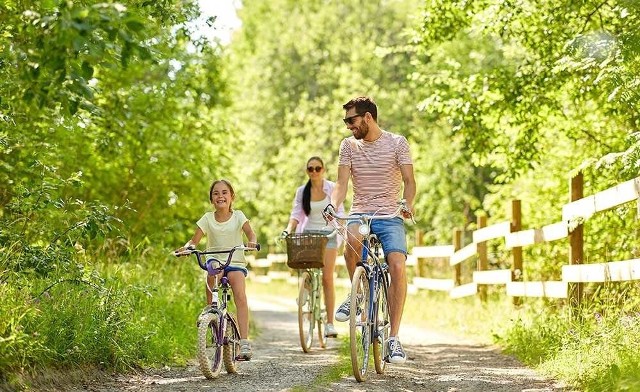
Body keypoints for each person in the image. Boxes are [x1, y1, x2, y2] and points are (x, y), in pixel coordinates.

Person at [328, 96, 416, 364]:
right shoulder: (349, 146)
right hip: (360, 211)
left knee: (397, 264)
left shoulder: (397, 143)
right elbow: (342, 184)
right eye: (346, 121)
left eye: (351, 120)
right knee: (351, 240)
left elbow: (410, 181)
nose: (348, 127)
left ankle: (394, 339)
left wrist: (407, 204)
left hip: (390, 214)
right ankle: (357, 292)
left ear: (368, 117)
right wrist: (334, 206)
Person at [175, 179, 258, 360]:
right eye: (216, 193)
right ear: (211, 199)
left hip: (235, 259)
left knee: (240, 293)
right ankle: (212, 313)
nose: (220, 196)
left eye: (224, 192)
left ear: (232, 197)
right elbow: (194, 241)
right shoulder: (207, 218)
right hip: (215, 259)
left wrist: (251, 241)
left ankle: (244, 342)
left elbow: (250, 233)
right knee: (211, 276)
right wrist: (187, 247)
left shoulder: (239, 216)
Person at [282, 156, 344, 338]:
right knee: (306, 269)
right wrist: (288, 230)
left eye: (318, 168)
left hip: (329, 235)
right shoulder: (302, 191)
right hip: (308, 234)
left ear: (323, 170)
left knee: (327, 278)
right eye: (311, 169)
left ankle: (330, 324)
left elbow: (340, 211)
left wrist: (340, 228)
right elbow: (296, 214)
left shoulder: (332, 188)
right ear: (307, 171)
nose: (314, 172)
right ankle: (306, 292)